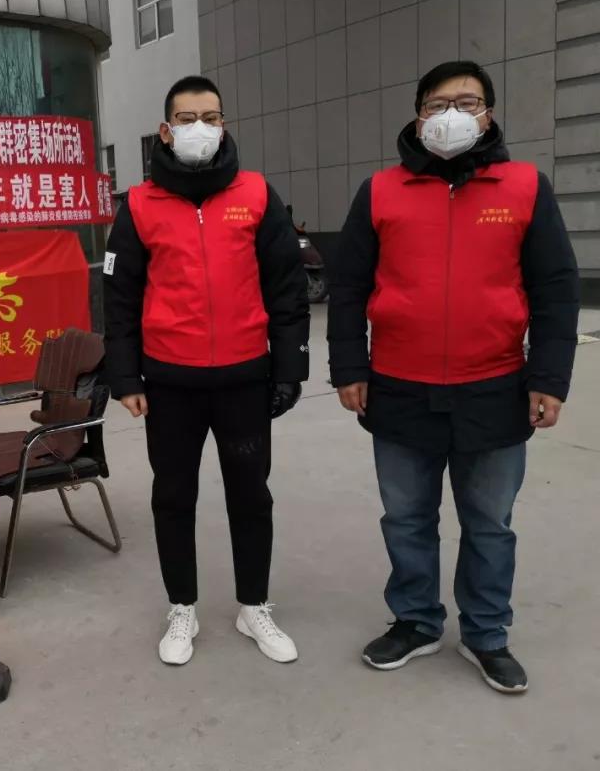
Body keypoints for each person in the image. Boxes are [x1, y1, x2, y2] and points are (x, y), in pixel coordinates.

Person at [328, 61, 580, 694]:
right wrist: (349, 366)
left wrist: (549, 377)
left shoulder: (524, 187)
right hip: (398, 387)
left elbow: (555, 288)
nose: (451, 115)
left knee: (489, 522)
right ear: (418, 117)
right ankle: (416, 621)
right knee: (405, 517)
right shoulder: (380, 191)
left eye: (467, 103)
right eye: (437, 104)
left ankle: (486, 632)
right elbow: (349, 285)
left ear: (488, 114)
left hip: (495, 386)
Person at [104, 75, 310, 666]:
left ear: (224, 124)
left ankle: (254, 606)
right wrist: (125, 376)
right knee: (173, 496)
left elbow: (286, 289)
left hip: (244, 379)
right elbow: (119, 297)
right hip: (171, 384)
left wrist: (289, 367)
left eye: (211, 117)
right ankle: (182, 608)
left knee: (251, 496)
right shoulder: (139, 206)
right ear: (166, 131)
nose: (200, 128)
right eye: (187, 118)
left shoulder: (256, 194)